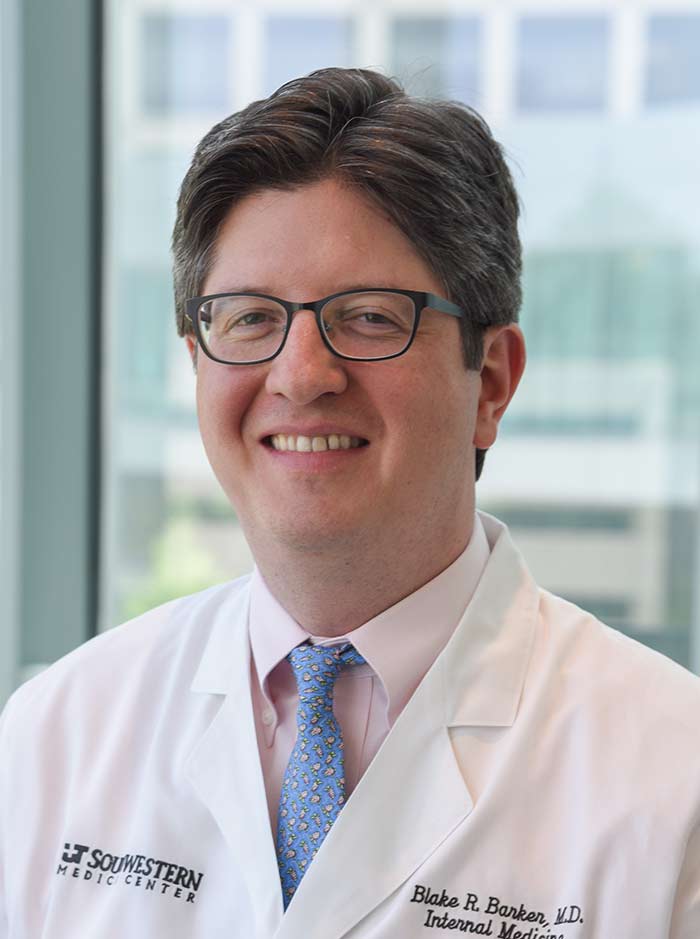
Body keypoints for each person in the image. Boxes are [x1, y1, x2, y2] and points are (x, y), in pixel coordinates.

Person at [1, 67, 699, 939]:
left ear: (491, 379)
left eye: (369, 317)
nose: (301, 375)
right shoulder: (56, 735)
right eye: (251, 317)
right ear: (195, 363)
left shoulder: (676, 780)